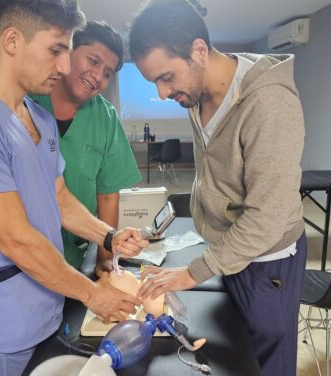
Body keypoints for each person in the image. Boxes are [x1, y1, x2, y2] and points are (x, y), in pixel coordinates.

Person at [0, 1, 148, 375]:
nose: (64, 66)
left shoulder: (37, 117)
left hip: (49, 296)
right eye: (56, 50)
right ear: (12, 40)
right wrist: (94, 295)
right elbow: (16, 241)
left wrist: (108, 236)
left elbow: (59, 198)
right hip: (5, 310)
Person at [129, 1, 307, 375]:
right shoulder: (197, 94)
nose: (163, 93)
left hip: (266, 260)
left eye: (167, 77)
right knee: (236, 355)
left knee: (267, 363)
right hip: (229, 251)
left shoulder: (268, 103)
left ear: (198, 50)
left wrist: (194, 271)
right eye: (154, 83)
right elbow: (214, 174)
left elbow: (266, 218)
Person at [30, 21, 141, 274]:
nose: (98, 77)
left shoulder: (105, 117)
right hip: (27, 254)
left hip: (76, 253)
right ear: (67, 51)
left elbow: (107, 194)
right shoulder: (27, 104)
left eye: (107, 73)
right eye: (93, 61)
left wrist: (105, 258)